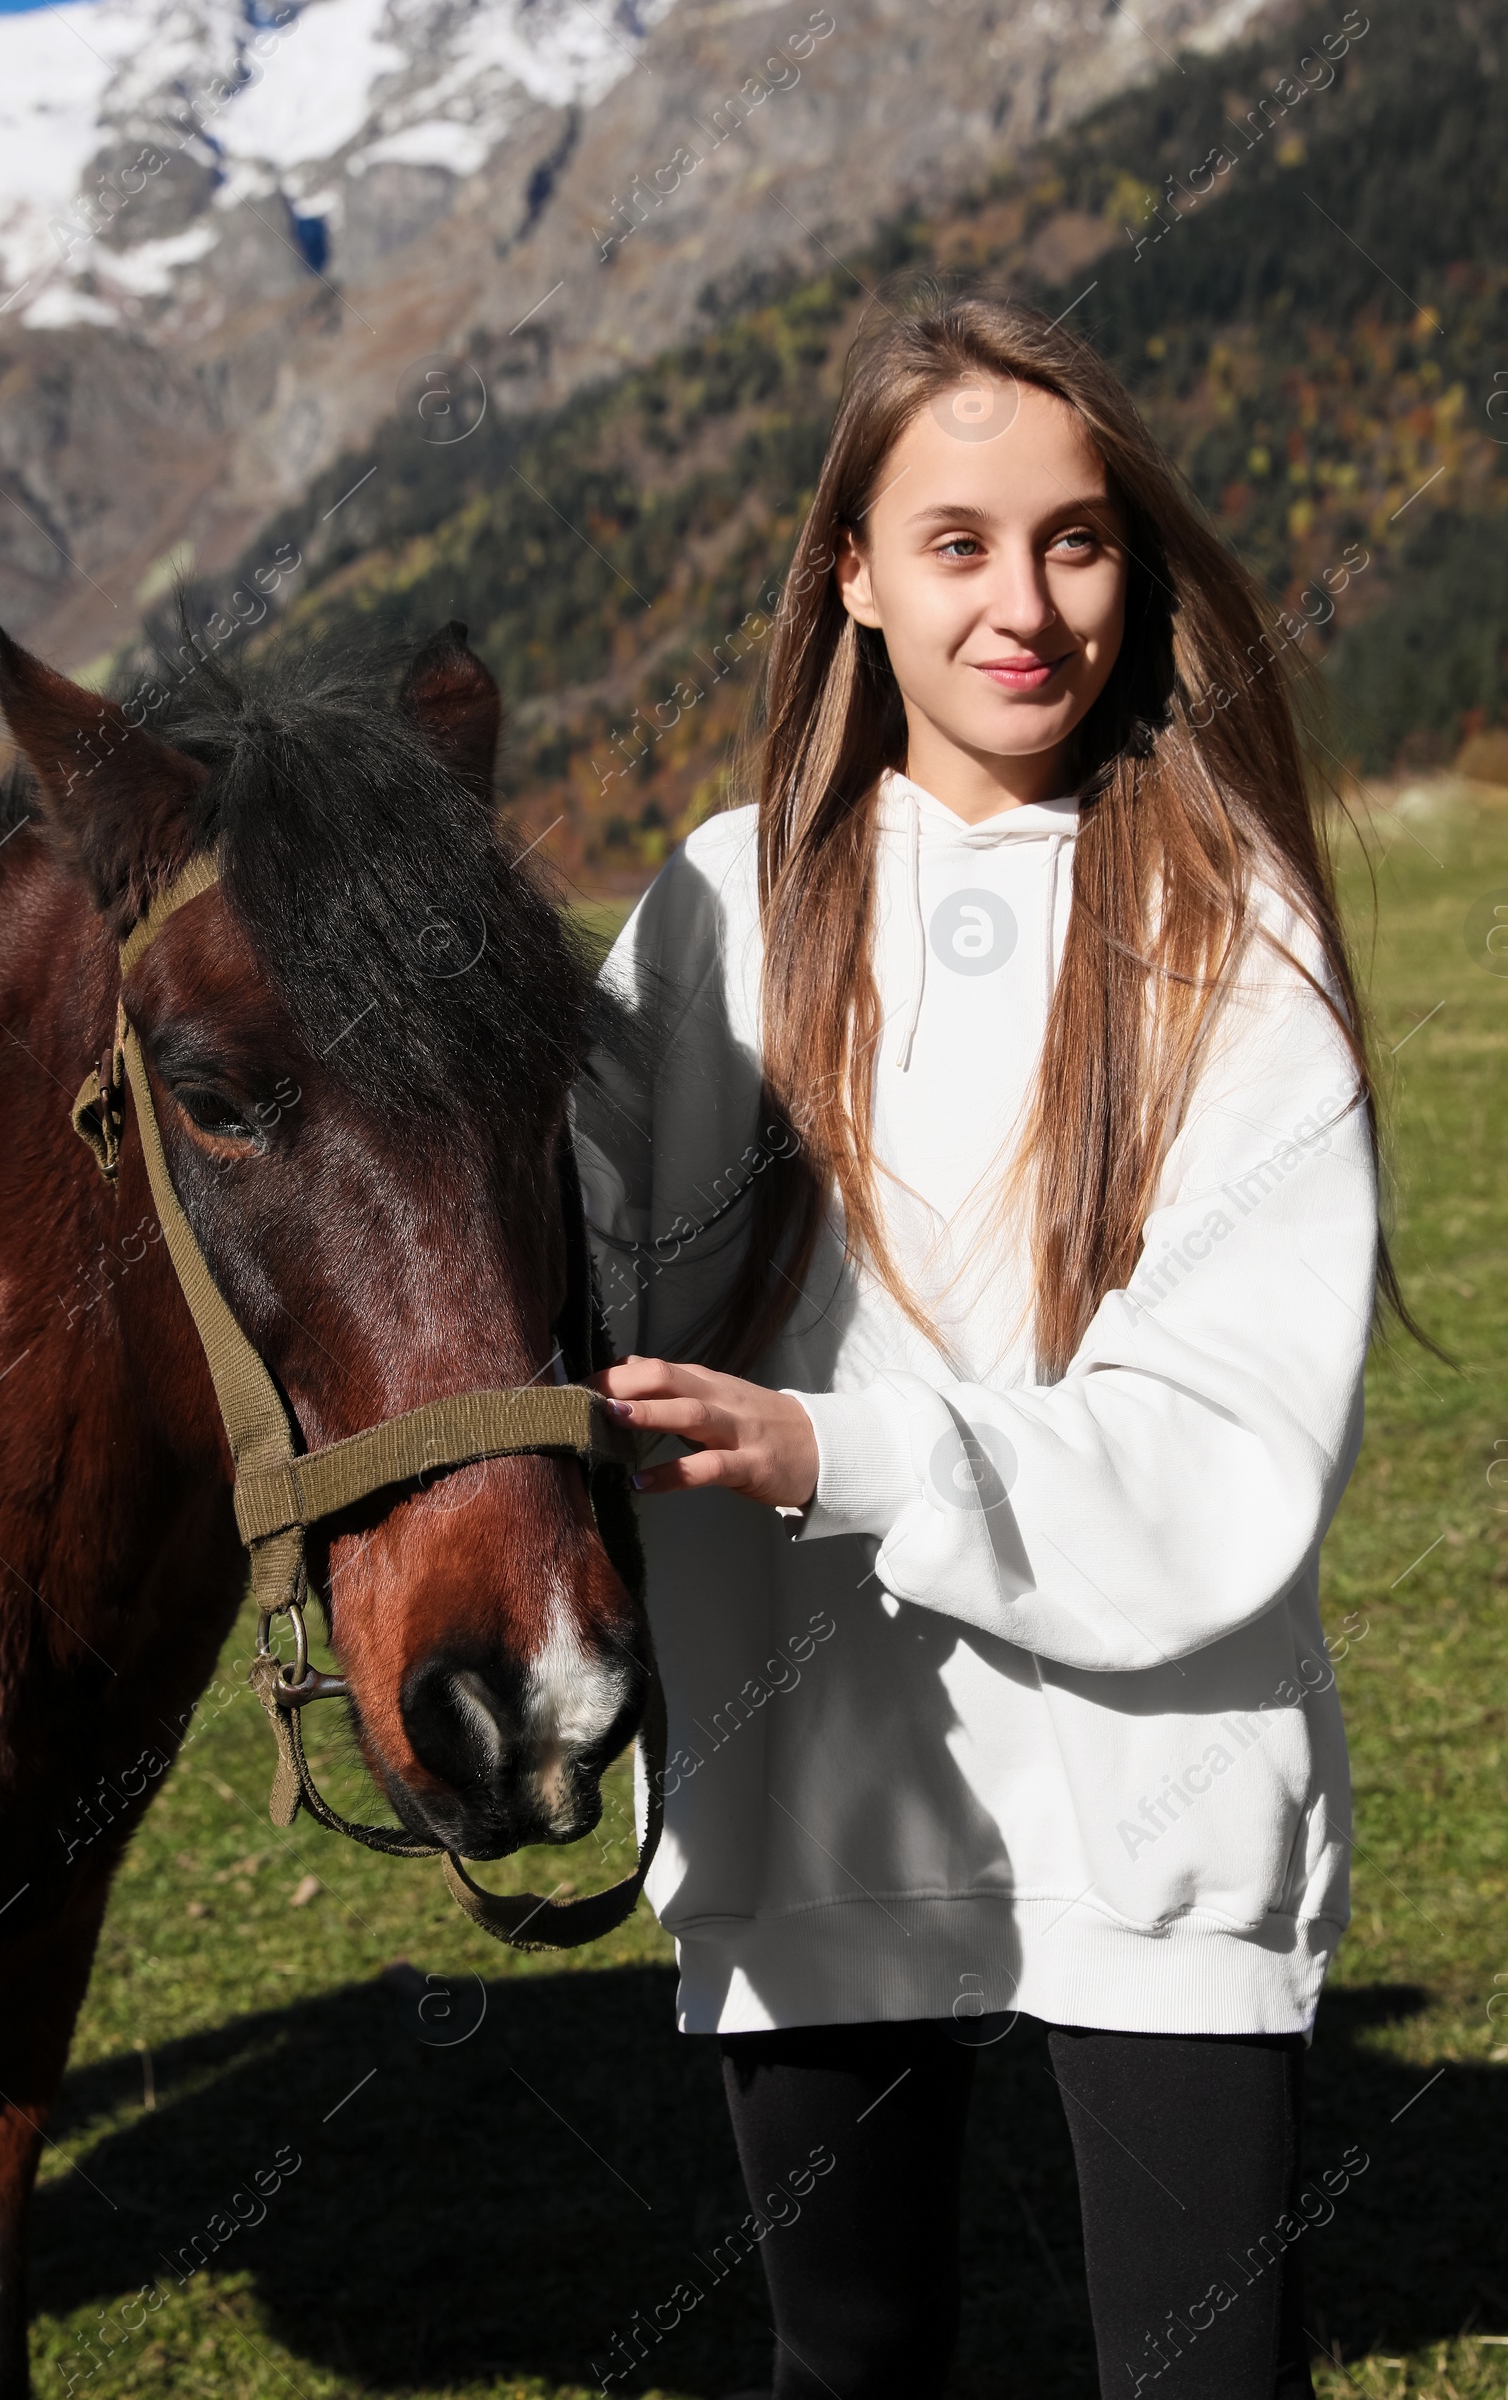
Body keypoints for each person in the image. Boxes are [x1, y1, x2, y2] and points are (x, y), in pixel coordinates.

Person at [573, 278, 1398, 2400]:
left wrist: (835, 1456)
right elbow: (539, 1276)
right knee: (846, 2365)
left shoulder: (1229, 925)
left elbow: (1218, 1435)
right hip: (805, 1805)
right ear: (848, 573)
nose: (1021, 602)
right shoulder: (717, 908)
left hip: (1157, 1803)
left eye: (1073, 535)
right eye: (953, 542)